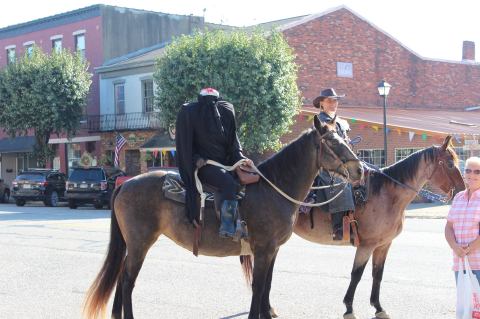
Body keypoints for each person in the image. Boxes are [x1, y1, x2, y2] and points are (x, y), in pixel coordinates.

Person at [175, 87, 253, 239]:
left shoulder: (226, 111)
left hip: (226, 164)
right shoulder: (190, 113)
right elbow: (184, 145)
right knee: (228, 183)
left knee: (251, 180)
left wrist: (241, 158)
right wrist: (196, 159)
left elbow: (233, 143)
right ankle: (228, 226)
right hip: (204, 167)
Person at [312, 88, 355, 240]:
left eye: (335, 100)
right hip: (327, 165)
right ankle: (339, 227)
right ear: (321, 103)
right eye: (329, 101)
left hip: (344, 163)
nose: (333, 103)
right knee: (339, 183)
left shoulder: (340, 122)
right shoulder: (319, 121)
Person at [445, 157, 480, 284]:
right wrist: (454, 246)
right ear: (464, 174)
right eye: (468, 171)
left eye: (477, 172)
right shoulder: (458, 198)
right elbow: (449, 227)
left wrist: (468, 248)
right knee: (465, 303)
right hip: (460, 264)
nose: (472, 174)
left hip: (478, 264)